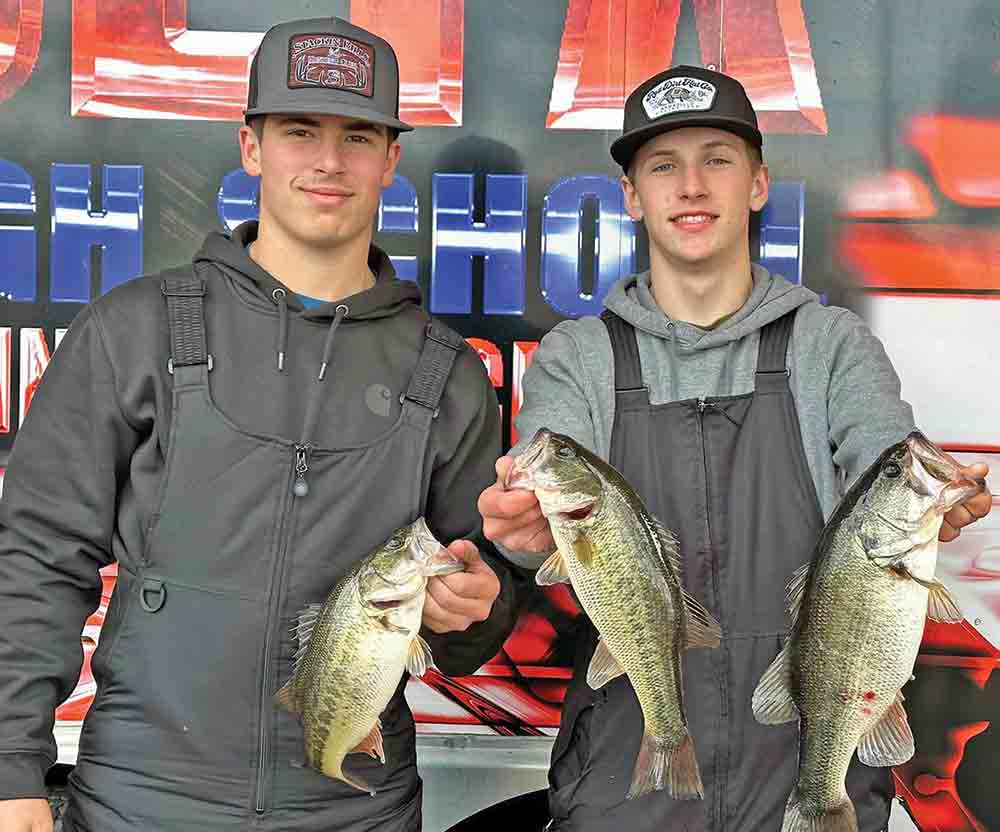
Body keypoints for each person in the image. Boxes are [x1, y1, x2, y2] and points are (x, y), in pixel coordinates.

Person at [0, 16, 517, 832]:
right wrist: (9, 770)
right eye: (299, 130)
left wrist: (477, 606)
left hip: (356, 807)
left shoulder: (446, 373)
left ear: (390, 159)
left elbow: (469, 618)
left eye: (357, 135)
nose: (327, 160)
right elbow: (35, 558)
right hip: (142, 802)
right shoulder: (136, 329)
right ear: (251, 146)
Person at [478, 65, 993, 831]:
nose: (691, 185)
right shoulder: (577, 358)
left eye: (716, 159)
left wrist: (930, 502)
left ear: (757, 183)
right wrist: (519, 533)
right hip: (625, 780)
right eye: (662, 165)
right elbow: (542, 508)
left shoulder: (832, 347)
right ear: (632, 196)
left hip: (805, 758)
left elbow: (884, 454)